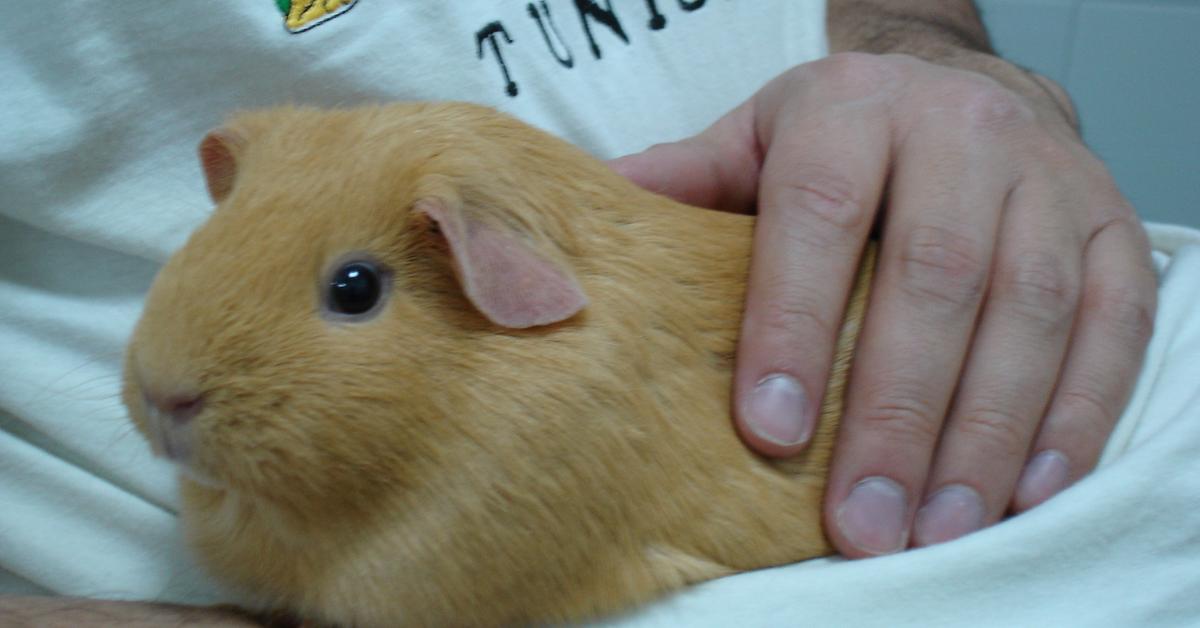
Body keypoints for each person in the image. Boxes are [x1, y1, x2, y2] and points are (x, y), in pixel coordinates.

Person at [2, 1, 1197, 625]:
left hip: (1047, 387)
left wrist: (938, 55)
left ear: (497, 279)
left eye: (356, 293)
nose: (170, 375)